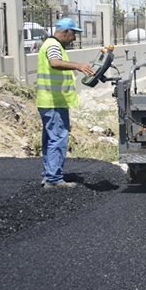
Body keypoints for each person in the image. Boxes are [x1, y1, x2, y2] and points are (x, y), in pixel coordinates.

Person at [36, 18, 95, 189]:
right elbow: (54, 63)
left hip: (47, 101)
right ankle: (54, 180)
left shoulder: (49, 44)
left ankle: (49, 175)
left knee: (49, 140)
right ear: (65, 32)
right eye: (73, 34)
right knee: (58, 138)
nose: (74, 38)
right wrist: (78, 66)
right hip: (54, 102)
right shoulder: (53, 46)